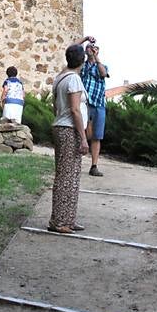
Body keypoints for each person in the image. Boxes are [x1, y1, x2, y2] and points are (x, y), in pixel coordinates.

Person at [48, 44, 90, 233]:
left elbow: (54, 105)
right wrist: (83, 138)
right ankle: (60, 222)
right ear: (82, 60)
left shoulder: (60, 78)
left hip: (60, 126)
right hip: (69, 129)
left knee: (68, 176)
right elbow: (75, 110)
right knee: (67, 176)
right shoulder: (73, 79)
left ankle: (66, 219)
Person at [78, 36, 109, 177]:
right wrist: (84, 39)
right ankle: (76, 163)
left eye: (92, 47)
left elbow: (103, 74)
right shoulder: (81, 66)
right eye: (88, 47)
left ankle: (94, 165)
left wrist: (97, 59)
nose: (90, 49)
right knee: (80, 133)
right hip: (84, 103)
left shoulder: (102, 65)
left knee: (97, 136)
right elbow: (71, 48)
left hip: (98, 104)